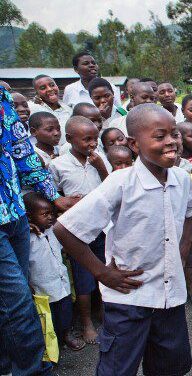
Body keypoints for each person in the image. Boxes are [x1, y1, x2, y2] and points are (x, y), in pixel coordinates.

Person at [53, 103, 192, 376]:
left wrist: (182, 248)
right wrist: (102, 273)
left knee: (171, 366)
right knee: (118, 368)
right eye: (159, 136)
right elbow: (65, 229)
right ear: (134, 144)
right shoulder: (121, 182)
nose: (171, 141)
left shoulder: (182, 179)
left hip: (171, 298)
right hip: (130, 298)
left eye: (174, 134)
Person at [0, 85, 77, 375]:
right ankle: (30, 369)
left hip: (14, 212)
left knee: (11, 302)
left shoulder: (1, 96)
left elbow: (20, 150)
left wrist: (52, 196)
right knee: (17, 302)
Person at [49, 116, 108, 344]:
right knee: (84, 278)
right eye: (86, 139)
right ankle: (86, 322)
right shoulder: (58, 164)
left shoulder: (98, 160)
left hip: (101, 227)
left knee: (104, 270)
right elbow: (51, 196)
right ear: (70, 139)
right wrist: (63, 201)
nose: (92, 144)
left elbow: (111, 184)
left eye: (94, 138)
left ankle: (105, 313)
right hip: (76, 231)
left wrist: (101, 166)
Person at [25, 192, 86, 353]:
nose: (50, 217)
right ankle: (50, 346)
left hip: (61, 283)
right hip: (42, 288)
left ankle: (66, 335)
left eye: (52, 212)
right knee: (47, 319)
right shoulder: (26, 239)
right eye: (45, 214)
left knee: (65, 313)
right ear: (29, 217)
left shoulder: (54, 230)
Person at [29, 75, 73, 145]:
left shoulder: (68, 110)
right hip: (45, 153)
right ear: (37, 93)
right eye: (43, 88)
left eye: (52, 85)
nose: (49, 89)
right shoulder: (34, 109)